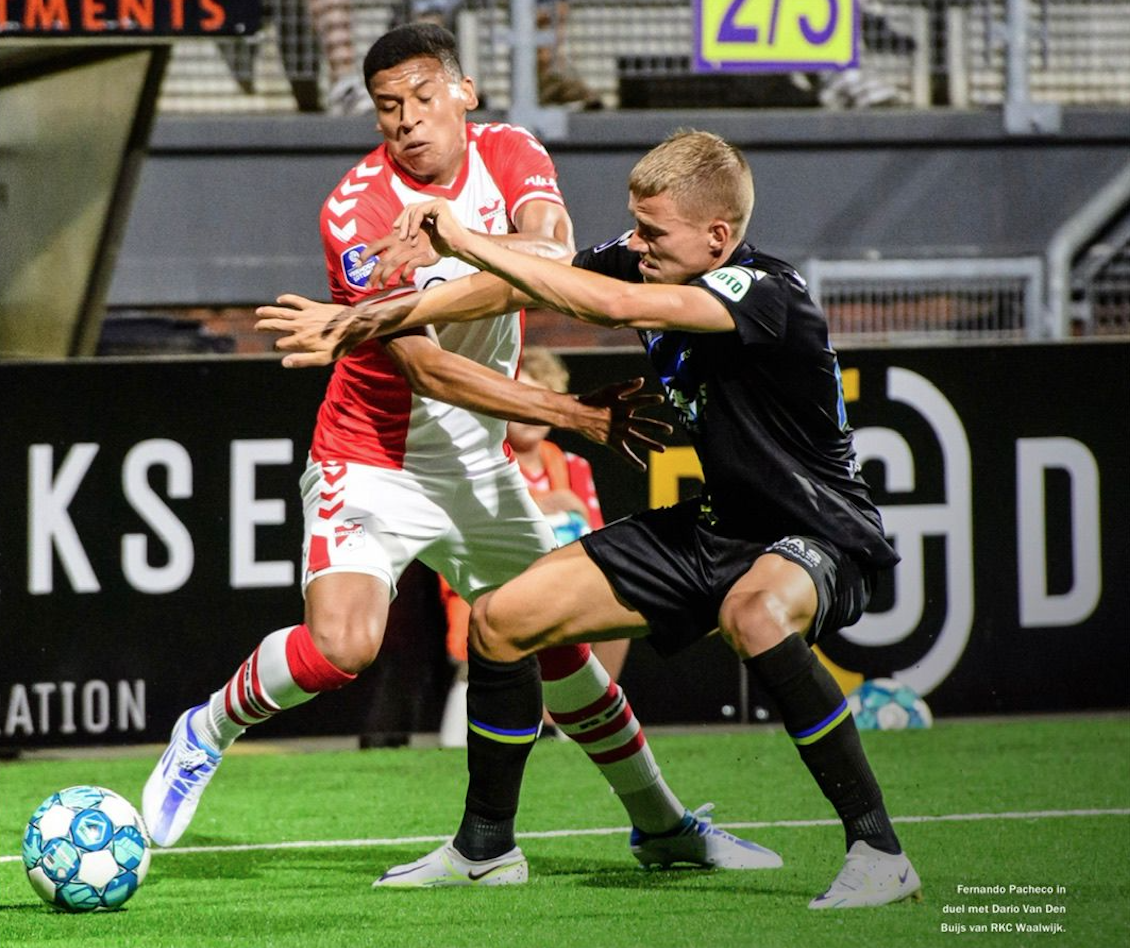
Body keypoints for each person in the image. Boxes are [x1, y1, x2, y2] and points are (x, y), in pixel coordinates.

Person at [145, 26, 779, 890]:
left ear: (464, 93)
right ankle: (209, 727)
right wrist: (568, 412)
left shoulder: (511, 152)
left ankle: (663, 827)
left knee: (557, 647)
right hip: (372, 459)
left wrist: (452, 243)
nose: (406, 120)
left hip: (478, 466)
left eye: (421, 97)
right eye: (387, 107)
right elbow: (429, 370)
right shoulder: (355, 212)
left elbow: (552, 252)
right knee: (342, 646)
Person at [258, 129, 923, 909]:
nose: (635, 243)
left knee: (754, 613)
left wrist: (462, 238)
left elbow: (610, 305)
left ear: (718, 237)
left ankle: (879, 850)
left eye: (653, 231)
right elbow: (517, 289)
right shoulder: (652, 261)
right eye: (635, 226)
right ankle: (485, 848)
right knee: (501, 619)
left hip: (818, 532)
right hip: (717, 527)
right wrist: (366, 321)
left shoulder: (763, 291)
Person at [437, 347, 629, 747]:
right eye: (520, 399)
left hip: (564, 584)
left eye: (542, 399)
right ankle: (456, 746)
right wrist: (542, 506)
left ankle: (586, 724)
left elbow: (596, 538)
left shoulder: (573, 466)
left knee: (623, 606)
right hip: (491, 583)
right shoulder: (476, 463)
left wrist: (571, 513)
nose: (530, 413)